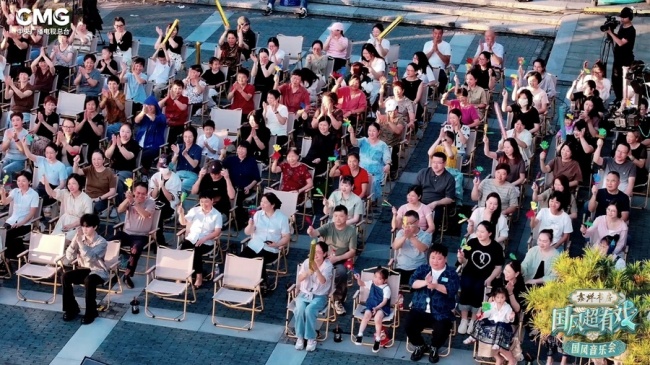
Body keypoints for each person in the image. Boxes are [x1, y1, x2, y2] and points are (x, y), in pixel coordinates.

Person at [405, 244, 460, 363]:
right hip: (420, 308)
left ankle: (434, 347)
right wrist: (425, 282)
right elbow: (412, 283)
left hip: (441, 311)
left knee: (443, 329)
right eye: (432, 257)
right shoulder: (423, 269)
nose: (435, 261)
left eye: (439, 258)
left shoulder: (451, 273)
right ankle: (420, 345)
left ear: (445, 259)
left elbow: (451, 290)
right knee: (408, 324)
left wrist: (435, 285)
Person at [307, 204, 357, 315]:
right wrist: (311, 232)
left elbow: (352, 251)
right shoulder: (328, 226)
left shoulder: (351, 230)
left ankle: (338, 300)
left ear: (347, 217)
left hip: (339, 259)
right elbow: (315, 233)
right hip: (323, 258)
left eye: (341, 216)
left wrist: (338, 258)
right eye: (335, 216)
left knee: (342, 273)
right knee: (309, 267)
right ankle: (313, 294)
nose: (338, 219)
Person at [456, 221, 504, 336]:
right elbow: (463, 262)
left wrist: (490, 278)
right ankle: (464, 319)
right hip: (469, 272)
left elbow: (498, 267)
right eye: (478, 231)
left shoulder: (496, 247)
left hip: (485, 276)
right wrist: (460, 258)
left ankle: (473, 319)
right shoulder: (472, 242)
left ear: (490, 233)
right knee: (466, 286)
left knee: (479, 289)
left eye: (482, 232)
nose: (479, 234)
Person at [61, 213, 108, 325]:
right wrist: (74, 244)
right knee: (65, 276)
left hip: (99, 271)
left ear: (95, 227)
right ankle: (71, 308)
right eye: (83, 226)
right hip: (85, 269)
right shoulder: (79, 238)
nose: (84, 229)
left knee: (89, 280)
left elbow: (91, 258)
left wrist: (81, 244)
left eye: (87, 226)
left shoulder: (102, 242)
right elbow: (69, 257)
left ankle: (91, 312)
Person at [241, 192, 290, 294]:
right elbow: (247, 232)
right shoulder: (257, 215)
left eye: (265, 202)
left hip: (271, 248)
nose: (262, 204)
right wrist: (250, 225)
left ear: (272, 205)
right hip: (255, 245)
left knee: (259, 260)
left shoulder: (282, 218)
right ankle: (246, 281)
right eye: (261, 201)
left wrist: (276, 244)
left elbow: (286, 237)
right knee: (241, 257)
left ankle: (262, 284)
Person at [293, 241, 333, 352]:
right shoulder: (306, 262)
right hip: (304, 293)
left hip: (320, 295)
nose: (315, 255)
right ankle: (300, 337)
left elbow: (323, 281)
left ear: (324, 254)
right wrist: (307, 272)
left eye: (318, 252)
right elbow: (299, 279)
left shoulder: (328, 266)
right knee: (300, 309)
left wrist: (316, 269)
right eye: (313, 252)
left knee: (309, 310)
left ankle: (311, 338)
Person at [113, 181, 155, 289]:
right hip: (126, 233)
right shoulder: (130, 200)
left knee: (136, 249)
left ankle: (127, 275)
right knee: (108, 243)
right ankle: (112, 268)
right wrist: (128, 199)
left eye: (143, 193)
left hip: (141, 235)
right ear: (134, 192)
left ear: (147, 194)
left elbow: (145, 215)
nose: (140, 196)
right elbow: (119, 209)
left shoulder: (150, 203)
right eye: (138, 193)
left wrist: (134, 203)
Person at [178, 191, 222, 288]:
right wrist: (181, 213)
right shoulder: (195, 210)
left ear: (212, 201)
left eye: (206, 201)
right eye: (201, 202)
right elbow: (183, 222)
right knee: (184, 248)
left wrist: (204, 238)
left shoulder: (217, 214)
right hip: (192, 238)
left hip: (207, 241)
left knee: (196, 251)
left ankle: (199, 276)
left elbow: (217, 232)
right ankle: (182, 274)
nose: (204, 204)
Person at [463, 287, 516, 364]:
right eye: (498, 297)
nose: (500, 299)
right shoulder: (490, 304)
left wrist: (511, 317)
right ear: (494, 298)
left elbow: (508, 318)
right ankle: (473, 337)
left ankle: (497, 343)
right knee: (479, 321)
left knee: (500, 326)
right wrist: (482, 315)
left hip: (503, 326)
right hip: (491, 325)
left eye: (502, 297)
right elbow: (486, 313)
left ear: (505, 298)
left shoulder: (507, 307)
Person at [0, 171, 39, 260]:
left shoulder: (34, 194)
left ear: (29, 182)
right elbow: (5, 202)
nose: (20, 183)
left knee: (7, 235)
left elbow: (32, 213)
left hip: (25, 224)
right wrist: (2, 194)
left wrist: (20, 223)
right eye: (18, 181)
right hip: (11, 221)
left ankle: (7, 259)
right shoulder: (15, 191)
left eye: (23, 181)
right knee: (2, 234)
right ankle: (8, 257)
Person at [43, 173, 93, 242]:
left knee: (62, 241)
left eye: (73, 183)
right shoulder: (65, 193)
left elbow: (86, 219)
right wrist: (46, 183)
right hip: (64, 222)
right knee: (52, 240)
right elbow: (51, 193)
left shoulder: (86, 199)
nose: (71, 186)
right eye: (69, 184)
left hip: (79, 225)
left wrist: (71, 225)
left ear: (79, 184)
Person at [222, 141, 261, 227]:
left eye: (243, 148)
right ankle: (228, 218)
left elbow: (256, 178)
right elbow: (220, 165)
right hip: (231, 186)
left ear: (247, 150)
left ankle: (238, 220)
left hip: (245, 188)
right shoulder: (231, 159)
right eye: (239, 148)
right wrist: (222, 154)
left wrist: (249, 187)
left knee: (237, 197)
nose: (240, 150)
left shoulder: (251, 161)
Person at [348, 122, 391, 200]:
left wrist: (388, 164)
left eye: (374, 131)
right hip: (361, 170)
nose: (371, 133)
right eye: (369, 130)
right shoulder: (364, 140)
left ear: (378, 132)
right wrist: (351, 132)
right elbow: (354, 142)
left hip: (375, 172)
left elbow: (387, 157)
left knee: (373, 182)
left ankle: (371, 201)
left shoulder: (382, 145)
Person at [353, 267, 391, 352]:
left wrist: (377, 308)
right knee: (366, 316)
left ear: (385, 280)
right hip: (371, 305)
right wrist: (358, 279)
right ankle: (360, 335)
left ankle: (377, 339)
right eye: (375, 277)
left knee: (377, 319)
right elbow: (361, 284)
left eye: (380, 278)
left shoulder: (386, 289)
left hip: (381, 307)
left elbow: (385, 301)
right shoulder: (371, 283)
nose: (376, 280)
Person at [391, 210, 433, 285]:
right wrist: (404, 236)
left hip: (418, 268)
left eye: (410, 223)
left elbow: (423, 249)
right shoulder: (401, 233)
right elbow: (395, 246)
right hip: (401, 267)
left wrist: (411, 237)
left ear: (417, 222)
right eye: (405, 223)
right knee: (389, 283)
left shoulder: (426, 235)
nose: (407, 226)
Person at [20, 140, 66, 207]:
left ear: (56, 152)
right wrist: (24, 145)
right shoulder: (41, 160)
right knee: (30, 197)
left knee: (38, 201)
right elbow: (29, 155)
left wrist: (53, 191)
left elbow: (62, 184)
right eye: (47, 153)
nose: (49, 155)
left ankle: (39, 216)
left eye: (51, 153)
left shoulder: (61, 166)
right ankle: (33, 216)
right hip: (41, 187)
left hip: (53, 188)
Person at [416, 152, 456, 227]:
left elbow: (449, 198)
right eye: (433, 162)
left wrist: (436, 203)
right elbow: (415, 190)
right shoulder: (423, 173)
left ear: (444, 163)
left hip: (437, 205)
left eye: (438, 163)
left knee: (432, 220)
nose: (435, 165)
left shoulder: (449, 178)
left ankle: (429, 236)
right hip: (420, 202)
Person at [105, 124, 141, 205]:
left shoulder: (134, 144)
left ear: (131, 133)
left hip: (126, 171)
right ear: (119, 132)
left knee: (116, 180)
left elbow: (128, 156)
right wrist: (114, 145)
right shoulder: (113, 141)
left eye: (127, 132)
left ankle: (118, 205)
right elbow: (107, 155)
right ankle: (103, 204)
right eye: (123, 131)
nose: (125, 134)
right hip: (112, 169)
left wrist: (120, 146)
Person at [73, 150, 117, 217]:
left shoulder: (109, 172)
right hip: (88, 198)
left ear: (103, 160)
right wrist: (75, 163)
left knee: (90, 208)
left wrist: (99, 198)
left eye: (99, 159)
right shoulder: (90, 169)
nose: (96, 162)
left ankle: (88, 224)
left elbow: (112, 191)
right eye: (94, 159)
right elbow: (76, 172)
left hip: (101, 200)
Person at [149, 157, 181, 246]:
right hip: (156, 203)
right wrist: (156, 187)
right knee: (149, 210)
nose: (162, 170)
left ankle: (159, 241)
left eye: (164, 167)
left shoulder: (175, 178)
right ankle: (150, 239)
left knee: (158, 214)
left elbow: (171, 199)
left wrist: (162, 187)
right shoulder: (155, 176)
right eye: (161, 167)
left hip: (169, 206)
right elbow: (153, 196)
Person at [606, 7, 636, 102]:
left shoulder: (631, 30)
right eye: (621, 17)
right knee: (615, 79)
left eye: (624, 18)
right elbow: (618, 37)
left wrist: (611, 33)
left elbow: (620, 42)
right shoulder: (622, 27)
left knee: (623, 80)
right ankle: (618, 97)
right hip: (618, 58)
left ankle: (623, 98)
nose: (622, 19)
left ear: (629, 18)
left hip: (626, 59)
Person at [134, 94, 168, 172]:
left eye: (151, 105)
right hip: (139, 144)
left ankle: (144, 172)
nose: (149, 107)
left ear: (155, 106)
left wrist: (145, 112)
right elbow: (136, 120)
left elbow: (153, 118)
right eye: (147, 105)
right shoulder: (143, 116)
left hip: (154, 145)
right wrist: (142, 113)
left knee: (144, 155)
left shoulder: (161, 116)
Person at [171, 127, 202, 193]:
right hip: (179, 173)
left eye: (190, 137)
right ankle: (179, 200)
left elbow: (194, 165)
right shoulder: (179, 147)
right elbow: (171, 165)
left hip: (192, 174)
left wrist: (186, 155)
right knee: (172, 184)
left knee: (182, 186)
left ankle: (179, 201)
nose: (187, 139)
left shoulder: (198, 149)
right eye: (185, 137)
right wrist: (176, 154)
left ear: (194, 137)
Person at [422, 26, 451, 92]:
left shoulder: (447, 45)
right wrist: (432, 51)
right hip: (427, 68)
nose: (437, 36)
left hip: (440, 69)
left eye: (439, 34)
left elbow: (447, 62)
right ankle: (427, 93)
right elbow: (423, 59)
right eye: (435, 33)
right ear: (433, 33)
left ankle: (439, 94)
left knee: (443, 78)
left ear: (442, 34)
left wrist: (437, 51)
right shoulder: (427, 44)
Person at [160, 80, 189, 144]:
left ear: (183, 89)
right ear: (172, 89)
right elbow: (158, 106)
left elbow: (183, 108)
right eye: (175, 88)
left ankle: (167, 149)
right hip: (167, 123)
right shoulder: (168, 98)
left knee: (171, 131)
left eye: (180, 89)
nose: (177, 91)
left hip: (178, 124)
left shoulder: (185, 99)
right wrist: (167, 97)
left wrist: (175, 99)